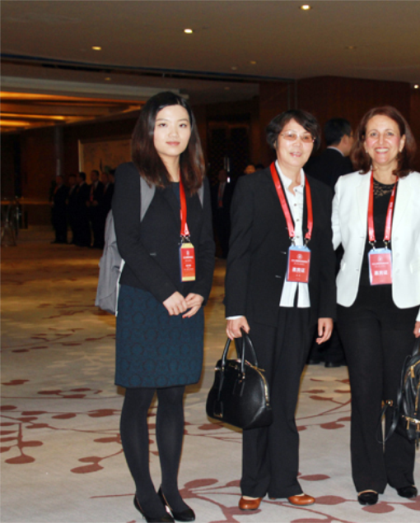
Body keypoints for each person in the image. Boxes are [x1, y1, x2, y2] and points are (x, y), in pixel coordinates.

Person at [112, 91, 215, 523]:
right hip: (145, 300)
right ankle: (144, 493)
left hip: (187, 304)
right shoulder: (131, 174)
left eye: (182, 124)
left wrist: (201, 291)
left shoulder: (197, 179)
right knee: (139, 398)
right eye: (164, 124)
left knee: (174, 397)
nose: (174, 133)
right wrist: (164, 291)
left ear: (191, 132)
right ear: (148, 130)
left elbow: (206, 244)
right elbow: (128, 243)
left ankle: (169, 487)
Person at [225, 109, 336, 512]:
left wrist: (326, 309)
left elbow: (324, 256)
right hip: (258, 308)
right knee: (258, 397)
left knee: (286, 398)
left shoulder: (321, 191)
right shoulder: (252, 186)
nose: (298, 144)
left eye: (307, 138)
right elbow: (238, 250)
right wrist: (234, 309)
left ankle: (286, 480)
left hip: (302, 307)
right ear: (275, 140)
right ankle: (253, 482)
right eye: (291, 136)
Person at [332, 106, 420, 506]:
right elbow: (330, 239)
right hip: (356, 301)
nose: (381, 141)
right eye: (372, 134)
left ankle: (400, 471)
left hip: (403, 302)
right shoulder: (347, 184)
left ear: (402, 140)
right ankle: (368, 476)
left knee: (399, 390)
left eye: (389, 133)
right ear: (362, 142)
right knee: (364, 389)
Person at [305, 117, 355, 367]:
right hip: (338, 244)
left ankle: (313, 351)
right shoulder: (348, 170)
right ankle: (334, 354)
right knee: (335, 295)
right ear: (346, 138)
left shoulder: (310, 164)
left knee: (314, 293)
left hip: (310, 239)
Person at [304, 117, 354, 188]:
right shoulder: (347, 165)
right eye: (352, 136)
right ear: (345, 138)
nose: (353, 140)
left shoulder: (309, 163)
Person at [211, 169, 235, 258]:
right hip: (218, 214)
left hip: (227, 214)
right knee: (220, 234)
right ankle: (223, 252)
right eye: (220, 174)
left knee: (227, 233)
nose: (221, 176)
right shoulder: (215, 187)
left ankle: (229, 252)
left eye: (223, 174)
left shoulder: (231, 187)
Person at [87, 169, 105, 248]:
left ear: (97, 176)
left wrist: (98, 202)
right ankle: (95, 242)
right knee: (94, 227)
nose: (92, 177)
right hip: (92, 209)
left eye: (93, 175)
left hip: (99, 210)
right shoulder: (90, 186)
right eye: (91, 175)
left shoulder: (101, 186)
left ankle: (100, 242)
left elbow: (103, 197)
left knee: (99, 226)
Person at [51, 174, 69, 244]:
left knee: (62, 224)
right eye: (57, 179)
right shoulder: (54, 188)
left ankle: (63, 238)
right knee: (57, 224)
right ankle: (57, 238)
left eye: (59, 179)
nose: (58, 181)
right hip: (55, 209)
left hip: (62, 209)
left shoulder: (65, 188)